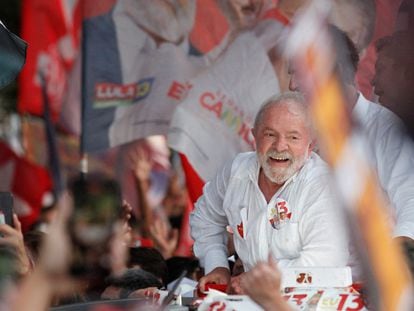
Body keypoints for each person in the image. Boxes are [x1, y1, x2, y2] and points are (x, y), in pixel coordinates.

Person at [190, 91, 350, 292]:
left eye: (293, 137)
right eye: (270, 134)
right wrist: (217, 265)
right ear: (254, 136)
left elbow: (326, 260)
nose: (280, 146)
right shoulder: (236, 172)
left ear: (312, 145)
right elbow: (205, 218)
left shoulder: (324, 185)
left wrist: (258, 279)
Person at [289, 25, 414, 243]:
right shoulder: (293, 131)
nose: (292, 85)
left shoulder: (384, 129)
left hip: (367, 275)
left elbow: (411, 201)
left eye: (299, 73)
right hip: (305, 271)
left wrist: (403, 260)